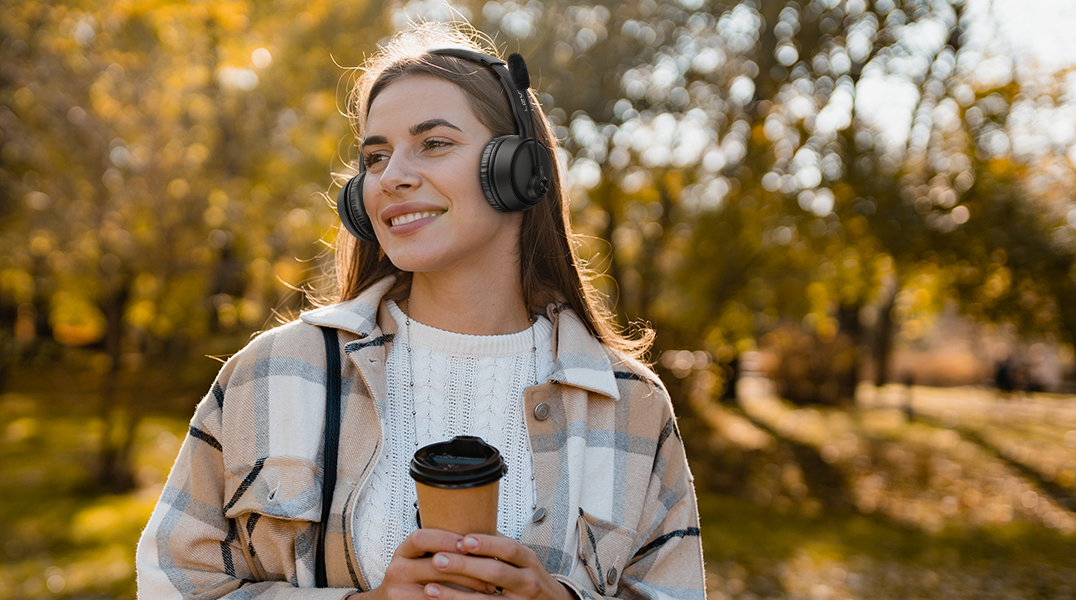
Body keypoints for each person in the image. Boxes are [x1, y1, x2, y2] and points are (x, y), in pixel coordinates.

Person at [137, 23, 704, 600]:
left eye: (433, 144)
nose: (392, 177)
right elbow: (171, 585)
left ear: (517, 170)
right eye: (375, 156)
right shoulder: (271, 373)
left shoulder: (632, 404)